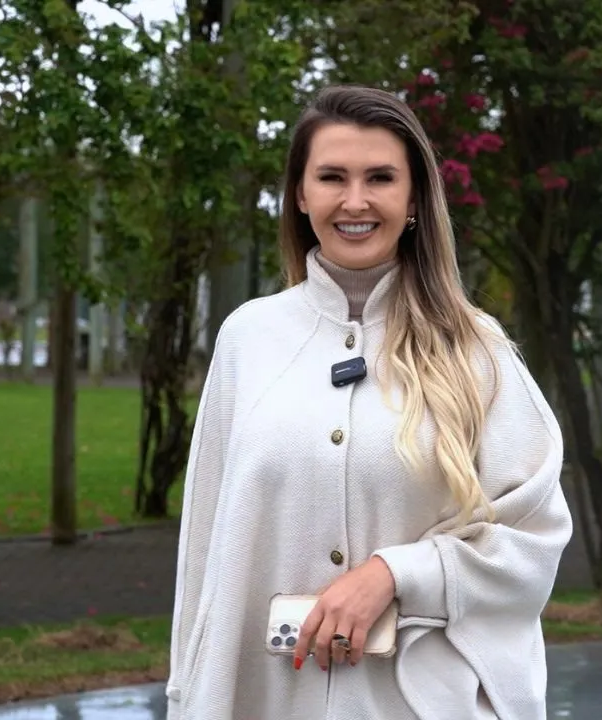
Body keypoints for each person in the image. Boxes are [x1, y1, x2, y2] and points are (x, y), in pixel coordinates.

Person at [165, 84, 573, 720]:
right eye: (332, 177)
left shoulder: (476, 349)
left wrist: (396, 574)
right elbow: (204, 547)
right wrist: (187, 695)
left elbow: (534, 540)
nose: (355, 201)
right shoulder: (248, 338)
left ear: (413, 199)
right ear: (300, 195)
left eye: (380, 178)